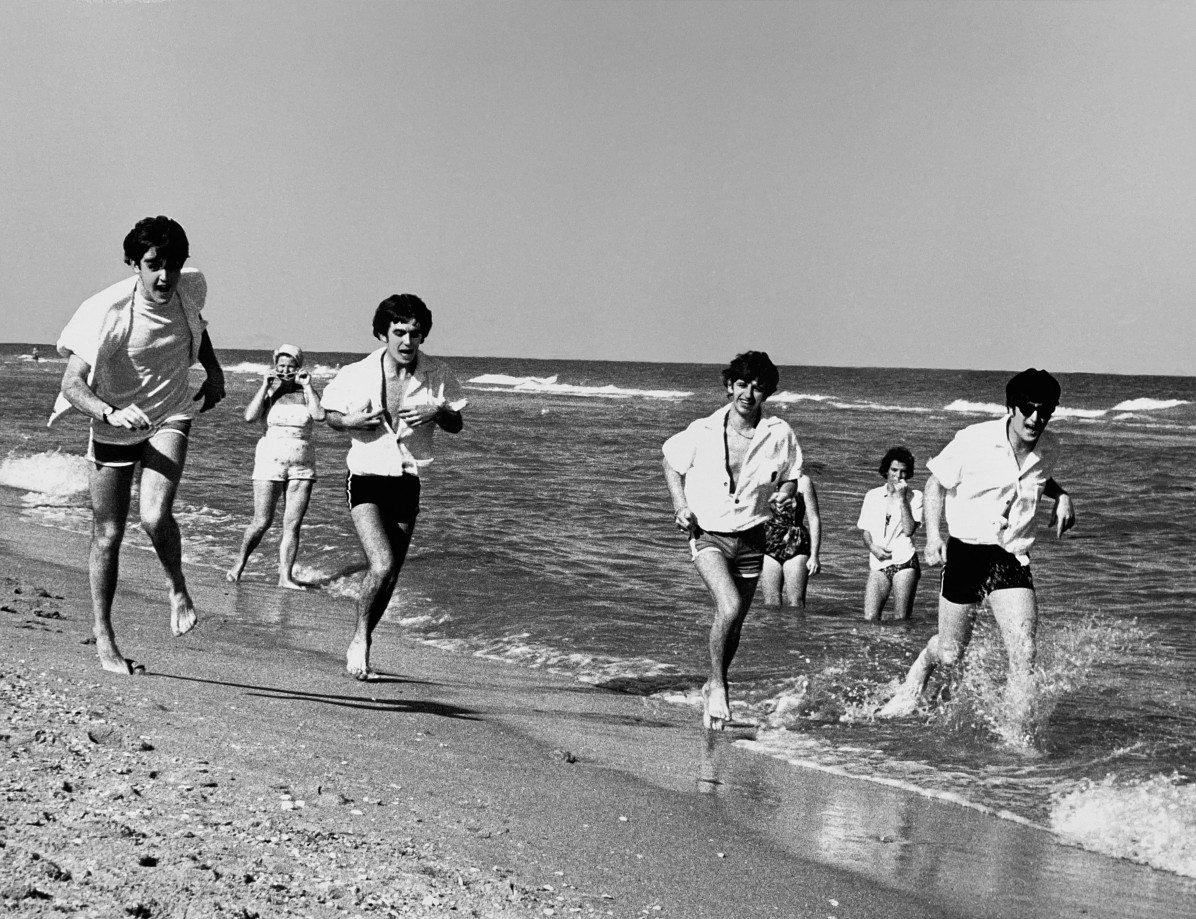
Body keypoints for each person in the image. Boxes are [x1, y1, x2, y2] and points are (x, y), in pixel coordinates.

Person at [50, 216, 226, 674]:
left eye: (172, 264)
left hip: (171, 411)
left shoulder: (191, 287)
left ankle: (176, 585)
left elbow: (198, 328)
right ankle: (105, 634)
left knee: (153, 515)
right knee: (108, 533)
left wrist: (216, 371)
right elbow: (71, 383)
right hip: (114, 422)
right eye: (153, 265)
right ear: (134, 264)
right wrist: (110, 412)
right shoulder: (106, 313)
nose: (164, 276)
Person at [879, 369, 1075, 721]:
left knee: (1024, 650)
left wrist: (1061, 496)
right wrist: (934, 536)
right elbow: (937, 484)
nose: (1035, 418)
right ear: (1011, 407)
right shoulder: (974, 439)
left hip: (1011, 556)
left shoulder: (1050, 446)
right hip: (966, 552)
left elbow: (1035, 478)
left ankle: (1017, 732)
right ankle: (923, 666)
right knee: (952, 653)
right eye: (1028, 408)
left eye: (1044, 411)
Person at [321, 294, 466, 681]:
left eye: (415, 334)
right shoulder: (356, 373)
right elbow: (329, 415)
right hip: (365, 474)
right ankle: (358, 641)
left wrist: (441, 411)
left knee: (391, 573)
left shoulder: (437, 375)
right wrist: (350, 422)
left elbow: (456, 425)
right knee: (381, 563)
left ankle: (363, 634)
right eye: (399, 332)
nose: (407, 341)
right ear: (382, 333)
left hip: (408, 477)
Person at [663, 351, 802, 729]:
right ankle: (720, 685)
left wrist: (785, 493)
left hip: (754, 537)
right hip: (707, 534)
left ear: (767, 393)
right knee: (727, 608)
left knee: (736, 621)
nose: (748, 394)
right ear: (729, 387)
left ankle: (712, 683)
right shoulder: (702, 430)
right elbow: (671, 461)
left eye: (757, 388)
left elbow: (792, 474)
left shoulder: (780, 434)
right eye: (742, 384)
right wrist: (680, 506)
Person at [226, 344, 325, 589]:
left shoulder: (306, 392)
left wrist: (308, 385)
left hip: (302, 464)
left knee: (292, 524)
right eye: (281, 366)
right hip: (269, 460)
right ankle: (239, 563)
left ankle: (285, 576)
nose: (285, 371)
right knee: (262, 521)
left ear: (299, 368)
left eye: (291, 366)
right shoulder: (269, 392)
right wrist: (264, 386)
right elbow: (249, 417)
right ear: (274, 366)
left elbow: (320, 415)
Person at [858, 446, 923, 622]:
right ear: (886, 470)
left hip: (904, 561)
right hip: (879, 561)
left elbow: (909, 530)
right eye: (894, 470)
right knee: (870, 618)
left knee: (901, 619)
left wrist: (902, 499)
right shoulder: (872, 495)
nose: (898, 476)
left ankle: (902, 648)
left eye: (903, 472)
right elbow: (866, 531)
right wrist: (872, 547)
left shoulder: (915, 497)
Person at [759, 471, 821, 608]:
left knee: (796, 602)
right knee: (770, 603)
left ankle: (796, 629)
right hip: (768, 542)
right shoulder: (765, 478)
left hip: (796, 542)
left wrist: (814, 556)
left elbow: (814, 519)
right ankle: (774, 630)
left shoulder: (803, 481)